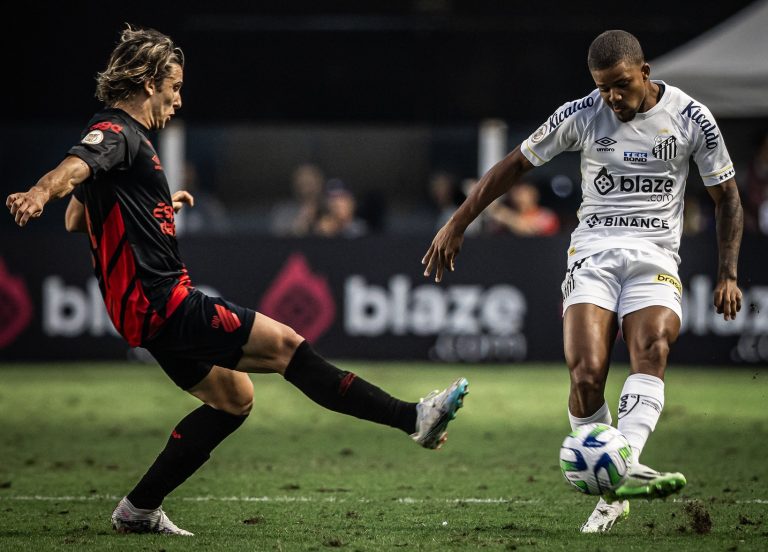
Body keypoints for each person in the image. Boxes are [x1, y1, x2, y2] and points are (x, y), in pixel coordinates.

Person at [6, 24, 469, 536]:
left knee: (234, 398)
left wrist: (156, 203)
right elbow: (73, 169)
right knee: (290, 348)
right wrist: (38, 191)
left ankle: (138, 509)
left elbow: (79, 217)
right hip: (164, 301)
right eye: (174, 87)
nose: (178, 101)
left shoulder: (126, 149)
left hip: (142, 314)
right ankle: (414, 418)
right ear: (147, 82)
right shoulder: (117, 133)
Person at [422, 30, 743, 533]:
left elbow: (727, 197)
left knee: (653, 347)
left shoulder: (691, 117)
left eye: (620, 85)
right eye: (603, 86)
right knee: (586, 373)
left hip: (655, 255)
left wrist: (728, 274)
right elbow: (513, 166)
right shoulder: (582, 113)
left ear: (645, 73)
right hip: (593, 254)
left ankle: (618, 478)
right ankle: (616, 472)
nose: (612, 97)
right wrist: (457, 223)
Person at [270, 163, 326, 237]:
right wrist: (301, 221)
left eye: (310, 182)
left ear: (320, 183)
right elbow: (277, 239)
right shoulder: (283, 212)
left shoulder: (330, 208)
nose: (307, 188)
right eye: (302, 182)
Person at [487, 180, 560, 236]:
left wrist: (496, 210)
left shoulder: (546, 215)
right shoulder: (503, 222)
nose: (518, 196)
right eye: (515, 192)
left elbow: (526, 229)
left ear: (534, 194)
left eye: (522, 192)